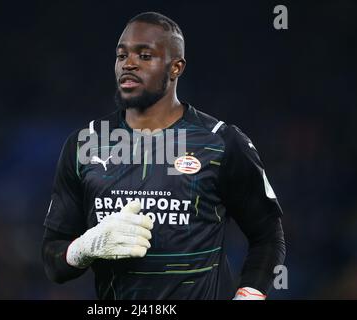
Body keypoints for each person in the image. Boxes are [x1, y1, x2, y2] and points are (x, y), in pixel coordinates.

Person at [42, 12, 285, 300]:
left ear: (176, 67)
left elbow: (268, 237)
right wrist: (85, 247)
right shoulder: (85, 143)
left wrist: (249, 295)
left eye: (145, 56)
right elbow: (53, 263)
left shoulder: (222, 141)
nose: (128, 64)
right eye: (122, 56)